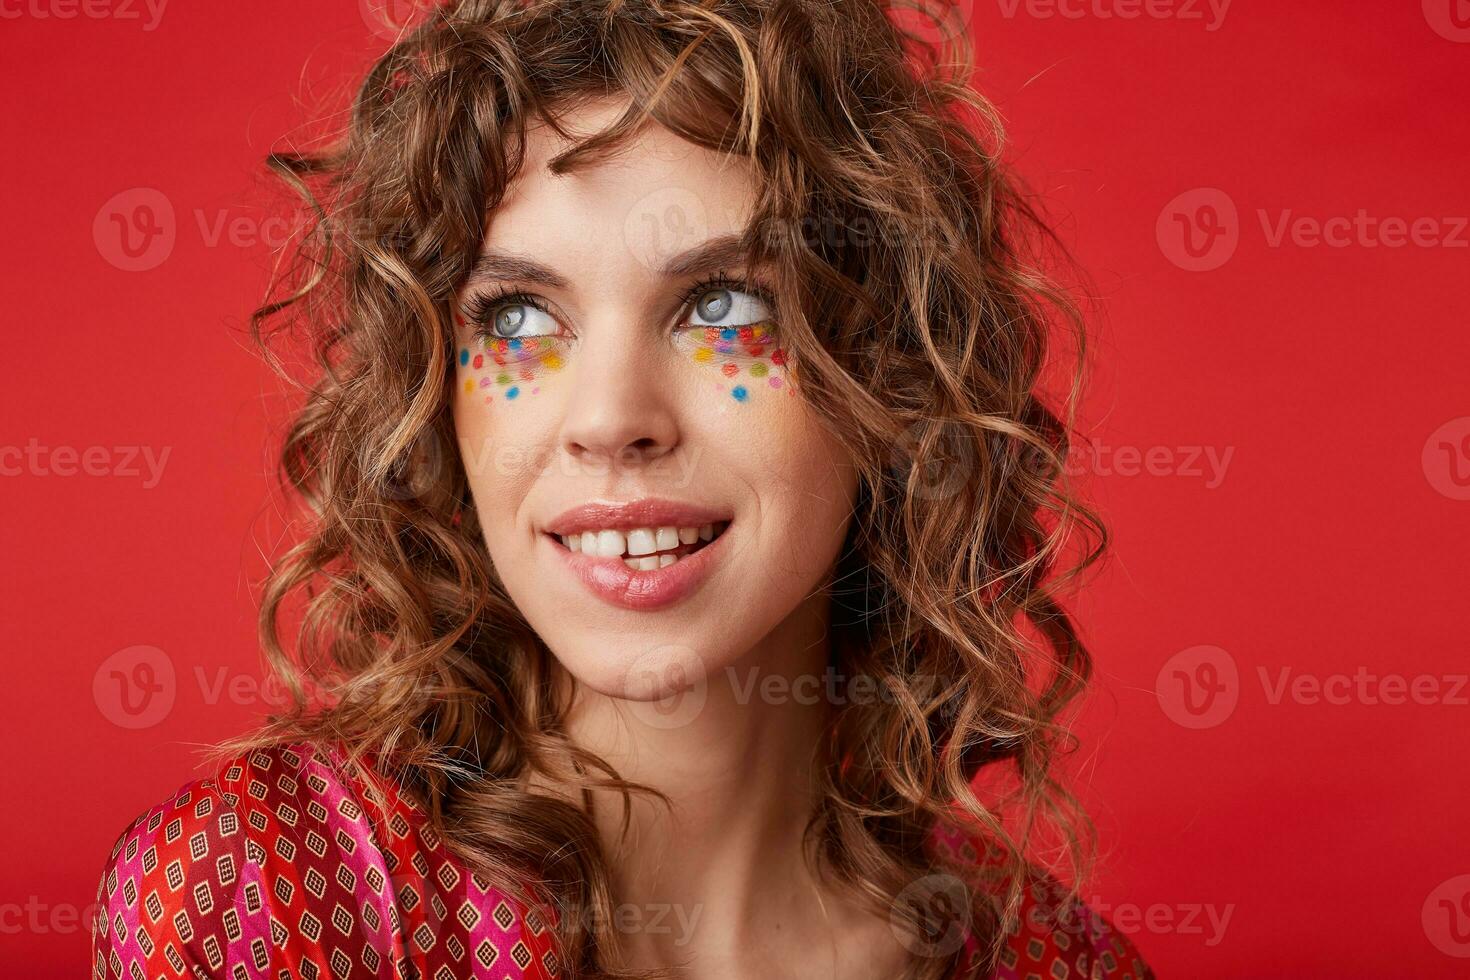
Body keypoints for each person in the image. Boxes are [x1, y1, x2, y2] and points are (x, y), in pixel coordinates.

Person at [89, 1, 1154, 977]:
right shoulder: (272, 895)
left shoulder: (1048, 959)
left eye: (725, 303)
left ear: (892, 370)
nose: (607, 418)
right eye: (514, 318)